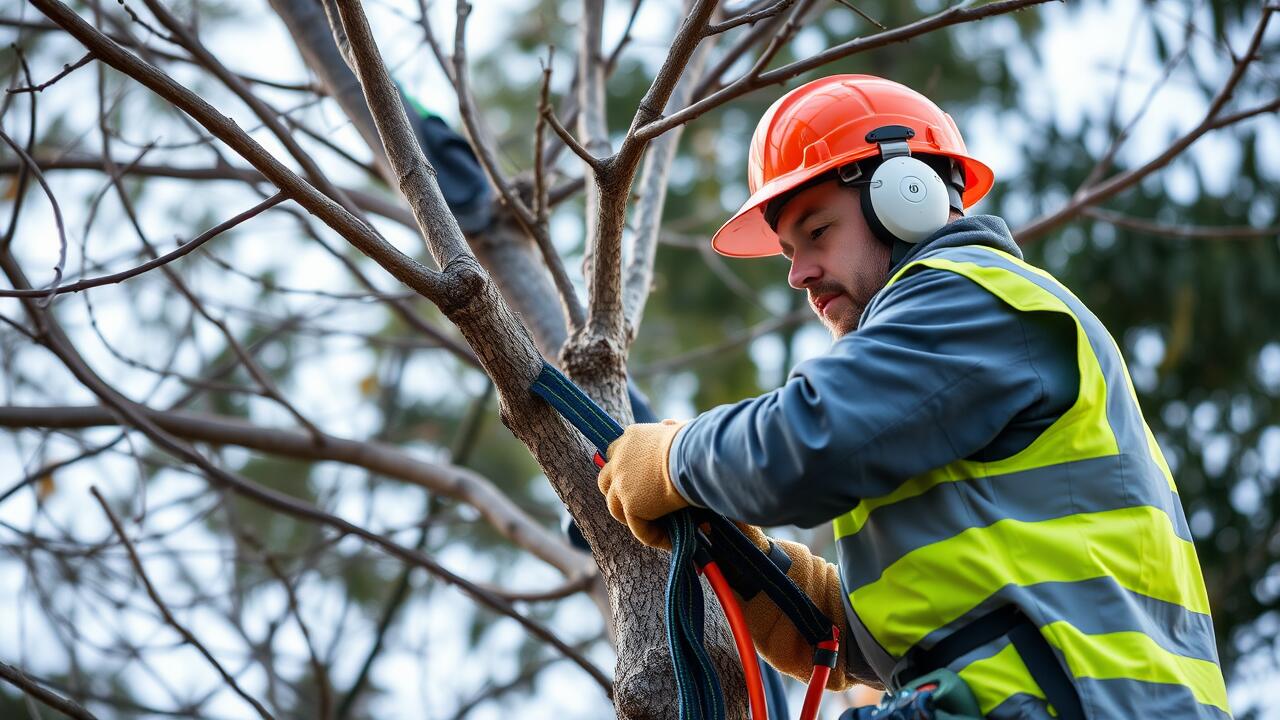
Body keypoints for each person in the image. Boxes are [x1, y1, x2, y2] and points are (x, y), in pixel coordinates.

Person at [596, 75, 1230, 719]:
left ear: (908, 196)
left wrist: (676, 456)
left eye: (818, 232)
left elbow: (808, 441)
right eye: (789, 251)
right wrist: (803, 602)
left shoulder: (972, 297)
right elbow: (971, 613)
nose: (798, 273)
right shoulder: (940, 362)